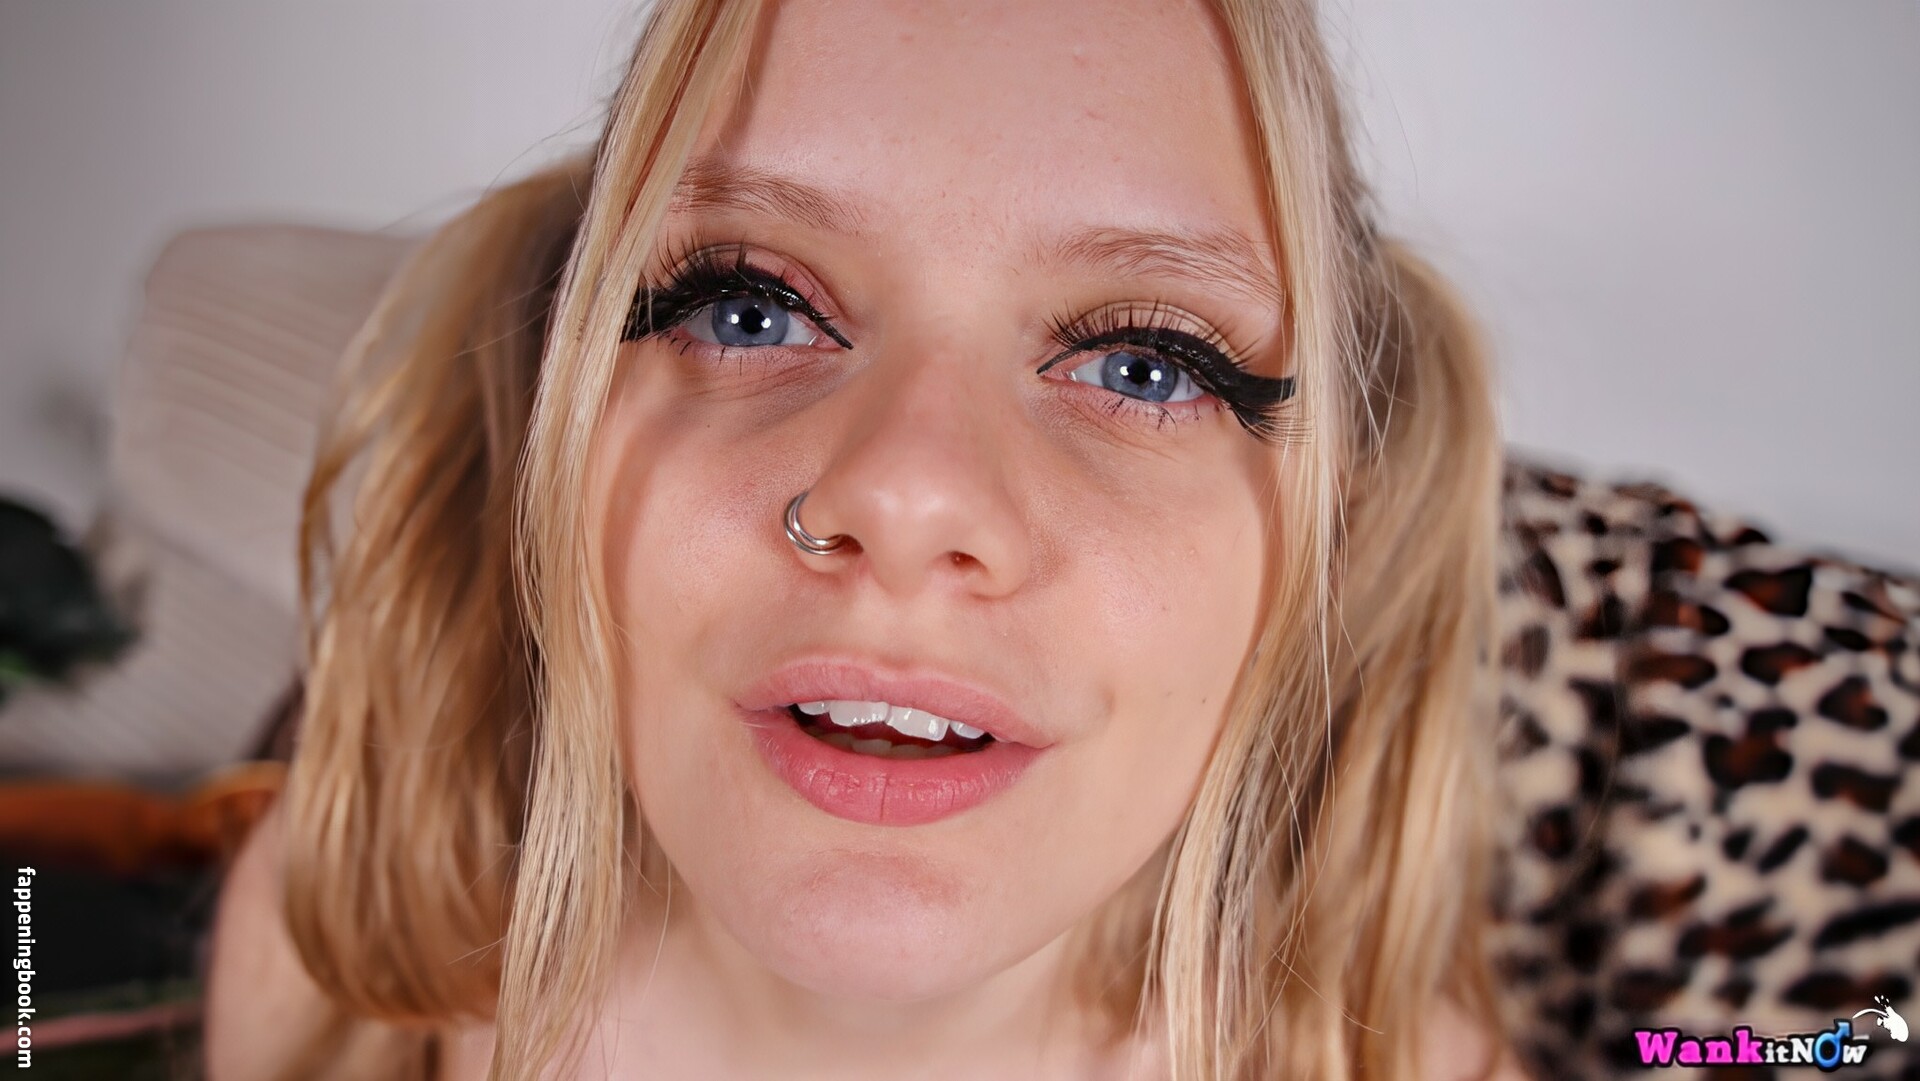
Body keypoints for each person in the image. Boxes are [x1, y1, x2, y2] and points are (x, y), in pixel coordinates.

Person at [205, 0, 1530, 1077]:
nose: (906, 498)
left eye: (1145, 363)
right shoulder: (330, 960)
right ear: (562, 405)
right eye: (745, 308)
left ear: (1332, 520)